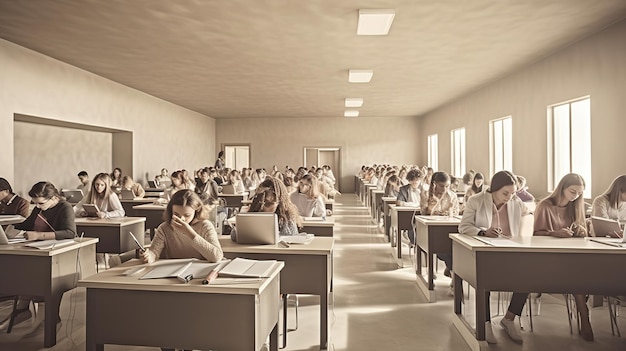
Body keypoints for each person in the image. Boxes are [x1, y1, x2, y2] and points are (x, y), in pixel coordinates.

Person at [459, 171, 530, 344]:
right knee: (485, 279)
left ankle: (509, 318)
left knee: (528, 276)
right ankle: (486, 322)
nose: (509, 197)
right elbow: (464, 226)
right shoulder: (476, 200)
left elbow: (528, 215)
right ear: (494, 189)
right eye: (505, 193)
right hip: (485, 251)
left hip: (510, 251)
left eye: (513, 193)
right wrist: (483, 231)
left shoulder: (515, 202)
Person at [4, 182, 77, 330]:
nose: (37, 206)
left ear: (53, 198)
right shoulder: (39, 208)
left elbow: (70, 233)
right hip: (36, 250)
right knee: (19, 269)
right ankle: (22, 308)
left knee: (36, 274)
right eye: (35, 203)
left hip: (56, 254)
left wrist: (39, 235)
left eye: (41, 203)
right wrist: (8, 229)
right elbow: (27, 224)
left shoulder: (65, 208)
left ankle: (33, 312)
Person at [534, 173, 593, 341]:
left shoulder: (576, 206)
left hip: (570, 257)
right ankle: (585, 317)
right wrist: (555, 233)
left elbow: (581, 235)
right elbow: (535, 235)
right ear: (562, 188)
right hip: (547, 258)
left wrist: (581, 232)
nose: (576, 196)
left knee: (580, 270)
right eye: (573, 192)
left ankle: (584, 315)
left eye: (579, 193)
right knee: (577, 273)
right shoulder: (545, 205)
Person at [141, 189, 223, 264]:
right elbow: (154, 252)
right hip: (172, 271)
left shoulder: (205, 226)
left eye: (187, 215)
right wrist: (148, 256)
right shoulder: (164, 228)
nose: (181, 219)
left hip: (199, 271)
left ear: (197, 211)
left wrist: (189, 232)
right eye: (176, 214)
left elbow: (216, 257)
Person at [420, 171, 459, 278]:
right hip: (431, 229)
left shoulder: (452, 195)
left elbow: (455, 213)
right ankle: (450, 273)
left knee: (454, 248)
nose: (445, 189)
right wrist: (431, 208)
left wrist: (450, 210)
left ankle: (453, 273)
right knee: (442, 247)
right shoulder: (426, 194)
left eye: (447, 186)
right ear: (434, 184)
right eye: (441, 186)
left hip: (448, 228)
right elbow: (423, 213)